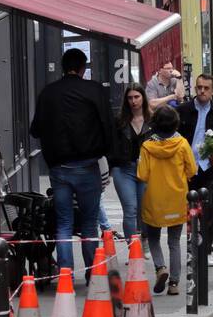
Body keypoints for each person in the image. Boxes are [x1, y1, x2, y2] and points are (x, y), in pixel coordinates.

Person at [30, 48, 116, 279]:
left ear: (62, 67)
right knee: (89, 223)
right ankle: (91, 273)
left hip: (59, 168)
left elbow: (35, 129)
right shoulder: (94, 90)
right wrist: (108, 155)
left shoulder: (48, 93)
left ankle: (65, 273)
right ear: (83, 68)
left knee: (64, 223)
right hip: (88, 165)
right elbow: (108, 125)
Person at [136, 105, 197, 296]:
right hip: (177, 198)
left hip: (155, 199)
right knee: (174, 242)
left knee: (153, 238)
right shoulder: (182, 143)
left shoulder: (147, 146)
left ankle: (160, 267)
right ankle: (174, 283)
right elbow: (192, 170)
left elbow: (142, 174)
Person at [176, 72, 213, 193]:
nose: (202, 91)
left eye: (206, 88)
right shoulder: (182, 110)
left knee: (208, 206)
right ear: (195, 89)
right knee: (187, 206)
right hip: (185, 167)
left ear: (212, 91)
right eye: (199, 87)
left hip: (208, 168)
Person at [111, 83, 152, 241]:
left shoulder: (152, 120)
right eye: (130, 98)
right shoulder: (119, 121)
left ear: (143, 98)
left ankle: (146, 241)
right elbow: (112, 145)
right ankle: (132, 249)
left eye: (136, 97)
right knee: (130, 210)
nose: (133, 101)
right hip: (124, 169)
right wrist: (112, 166)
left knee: (144, 210)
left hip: (146, 170)